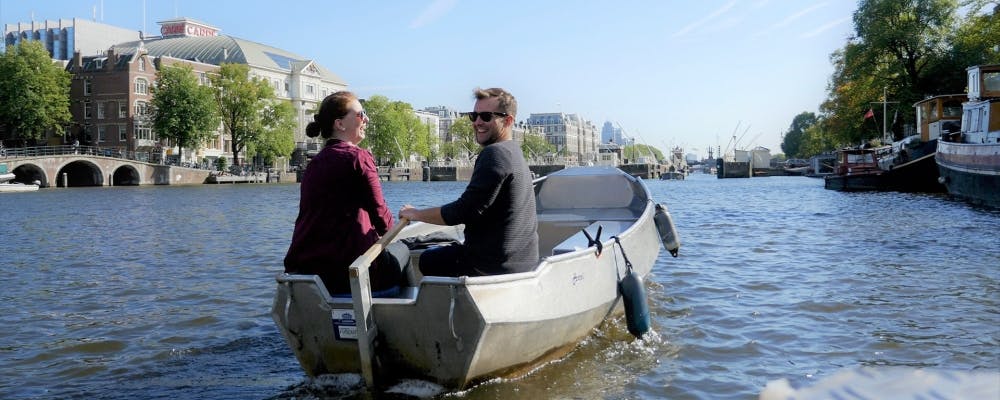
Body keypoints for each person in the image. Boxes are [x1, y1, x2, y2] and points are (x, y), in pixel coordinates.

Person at [399, 87, 539, 277]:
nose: (478, 122)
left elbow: (462, 211)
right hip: (523, 264)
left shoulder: (495, 154)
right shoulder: (514, 152)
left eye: (486, 116)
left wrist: (416, 213)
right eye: (474, 116)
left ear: (508, 121)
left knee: (426, 260)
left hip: (491, 267)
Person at [284, 91, 404, 297]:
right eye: (360, 114)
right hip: (349, 275)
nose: (366, 119)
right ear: (340, 124)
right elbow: (383, 219)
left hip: (309, 272)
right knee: (402, 251)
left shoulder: (314, 164)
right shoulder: (358, 158)